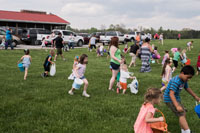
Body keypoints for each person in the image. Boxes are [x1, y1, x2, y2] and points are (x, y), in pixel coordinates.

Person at [163, 65, 200, 133]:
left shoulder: (183, 80)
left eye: (190, 78)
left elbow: (187, 88)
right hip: (169, 99)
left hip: (176, 98)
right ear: (182, 73)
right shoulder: (176, 81)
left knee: (183, 113)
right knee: (181, 114)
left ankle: (183, 130)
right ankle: (188, 131)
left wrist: (195, 96)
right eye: (188, 77)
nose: (188, 79)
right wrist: (177, 106)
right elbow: (171, 94)